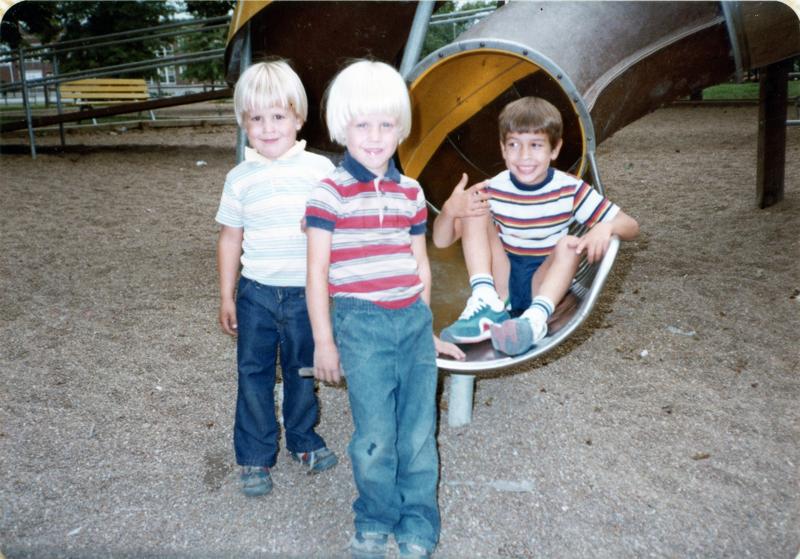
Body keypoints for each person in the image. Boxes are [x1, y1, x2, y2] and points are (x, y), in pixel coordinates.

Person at [305, 59, 463, 559]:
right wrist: (324, 341)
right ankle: (374, 517)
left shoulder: (411, 192)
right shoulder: (328, 194)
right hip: (361, 324)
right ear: (341, 127)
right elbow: (316, 273)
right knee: (375, 434)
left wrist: (427, 327)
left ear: (401, 127)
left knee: (417, 431)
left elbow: (420, 265)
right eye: (362, 124)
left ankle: (418, 521)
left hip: (412, 322)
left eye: (386, 124)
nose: (375, 137)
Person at [215, 59, 338, 498]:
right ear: (243, 123)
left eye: (278, 116)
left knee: (303, 370)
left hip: (307, 295)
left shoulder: (321, 171)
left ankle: (303, 438)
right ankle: (254, 454)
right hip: (256, 294)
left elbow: (340, 230)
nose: (268, 128)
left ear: (298, 118)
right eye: (256, 118)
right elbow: (230, 238)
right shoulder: (239, 178)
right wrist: (226, 294)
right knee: (253, 374)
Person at [433, 96, 640, 356]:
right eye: (514, 145)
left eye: (536, 145)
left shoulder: (568, 188)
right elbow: (441, 240)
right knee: (475, 206)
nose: (524, 156)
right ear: (503, 149)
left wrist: (605, 228)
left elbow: (630, 225)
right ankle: (485, 301)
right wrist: (450, 211)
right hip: (503, 283)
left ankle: (534, 320)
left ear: (554, 149)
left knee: (570, 244)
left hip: (545, 283)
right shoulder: (494, 188)